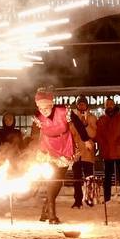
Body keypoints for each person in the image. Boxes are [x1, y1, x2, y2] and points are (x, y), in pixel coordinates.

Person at [33, 88, 80, 224]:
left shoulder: (63, 111)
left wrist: (86, 139)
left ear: (51, 104)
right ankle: (52, 215)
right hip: (48, 149)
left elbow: (76, 123)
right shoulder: (38, 117)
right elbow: (35, 134)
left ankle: (46, 209)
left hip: (65, 147)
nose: (44, 110)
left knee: (58, 180)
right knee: (52, 180)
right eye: (41, 107)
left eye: (46, 106)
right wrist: (32, 149)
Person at [96, 98, 120, 204]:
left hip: (119, 152)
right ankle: (107, 198)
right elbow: (98, 135)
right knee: (107, 177)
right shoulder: (102, 119)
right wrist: (103, 143)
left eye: (111, 104)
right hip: (108, 152)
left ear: (114, 105)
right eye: (107, 104)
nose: (109, 106)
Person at [69, 99, 97, 208]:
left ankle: (89, 199)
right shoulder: (73, 118)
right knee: (76, 178)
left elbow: (93, 134)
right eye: (79, 104)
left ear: (86, 105)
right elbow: (71, 133)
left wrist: (86, 126)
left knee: (89, 178)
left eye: (83, 104)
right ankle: (77, 200)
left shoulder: (92, 118)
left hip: (87, 152)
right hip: (76, 152)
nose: (81, 106)